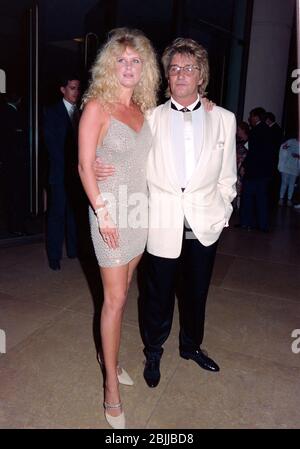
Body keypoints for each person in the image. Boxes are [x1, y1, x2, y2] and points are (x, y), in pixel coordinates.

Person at [95, 37, 237, 389]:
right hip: (159, 222)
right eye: (174, 68)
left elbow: (228, 175)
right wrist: (98, 164)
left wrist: (223, 212)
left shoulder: (224, 119)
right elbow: (121, 148)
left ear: (201, 75)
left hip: (204, 221)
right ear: (167, 76)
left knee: (197, 292)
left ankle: (191, 346)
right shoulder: (150, 117)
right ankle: (153, 351)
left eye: (188, 68)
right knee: (156, 294)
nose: (181, 74)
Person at [78, 28, 160, 429]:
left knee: (124, 295)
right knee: (113, 300)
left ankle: (106, 355)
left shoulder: (145, 109)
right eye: (121, 60)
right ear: (110, 66)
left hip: (138, 214)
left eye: (136, 60)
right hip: (110, 214)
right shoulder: (98, 106)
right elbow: (83, 164)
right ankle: (110, 385)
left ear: (144, 67)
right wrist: (102, 210)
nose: (128, 67)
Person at [43, 76, 81, 270]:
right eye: (72, 88)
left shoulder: (82, 112)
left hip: (78, 174)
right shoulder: (51, 112)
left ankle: (73, 250)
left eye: (77, 88)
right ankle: (54, 257)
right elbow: (52, 146)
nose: (76, 92)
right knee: (57, 215)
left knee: (74, 214)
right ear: (62, 89)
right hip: (59, 173)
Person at [239, 107, 273, 232]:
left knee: (247, 197)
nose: (250, 118)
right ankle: (262, 225)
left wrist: (244, 166)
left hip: (254, 171)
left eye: (251, 116)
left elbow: (252, 153)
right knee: (262, 199)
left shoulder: (255, 132)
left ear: (256, 117)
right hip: (265, 171)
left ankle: (245, 222)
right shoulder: (270, 131)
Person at [278, 135, 300, 206]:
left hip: (295, 167)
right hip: (286, 166)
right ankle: (281, 198)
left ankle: (289, 199)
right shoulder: (291, 141)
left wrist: (298, 156)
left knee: (292, 184)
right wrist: (285, 147)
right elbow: (283, 147)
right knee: (284, 183)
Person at [235, 121, 249, 209]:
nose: (237, 131)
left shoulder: (249, 141)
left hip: (243, 166)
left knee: (241, 186)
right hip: (237, 166)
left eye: (239, 130)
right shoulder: (238, 141)